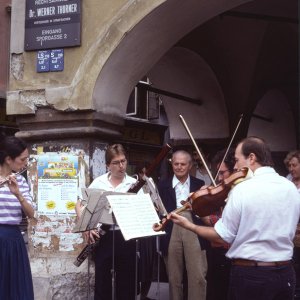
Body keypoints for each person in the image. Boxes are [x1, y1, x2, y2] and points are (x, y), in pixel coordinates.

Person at [170, 136, 300, 300]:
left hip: (252, 275)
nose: (236, 166)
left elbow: (222, 235)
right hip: (286, 273)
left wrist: (190, 226)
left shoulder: (242, 189)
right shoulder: (290, 187)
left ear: (251, 158)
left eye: (238, 160)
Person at [76, 144, 139, 300]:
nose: (121, 166)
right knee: (102, 284)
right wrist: (86, 226)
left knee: (127, 285)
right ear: (107, 165)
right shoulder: (99, 182)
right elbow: (79, 204)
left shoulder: (135, 184)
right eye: (116, 163)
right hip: (103, 237)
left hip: (126, 237)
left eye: (123, 161)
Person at [157, 149, 208, 300]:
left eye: (183, 164)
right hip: (171, 227)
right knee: (174, 277)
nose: (179, 167)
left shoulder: (200, 184)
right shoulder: (162, 185)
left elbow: (204, 211)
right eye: (176, 163)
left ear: (190, 165)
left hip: (193, 228)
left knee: (197, 275)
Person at [0, 135, 35, 300]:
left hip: (13, 239)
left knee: (16, 290)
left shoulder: (20, 181)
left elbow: (31, 213)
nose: (25, 163)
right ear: (8, 159)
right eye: (22, 159)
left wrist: (18, 194)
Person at [202, 148, 235, 300]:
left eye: (223, 173)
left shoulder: (238, 193)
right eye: (218, 173)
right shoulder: (222, 190)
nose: (220, 178)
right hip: (216, 251)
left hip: (230, 253)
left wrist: (200, 211)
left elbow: (216, 223)